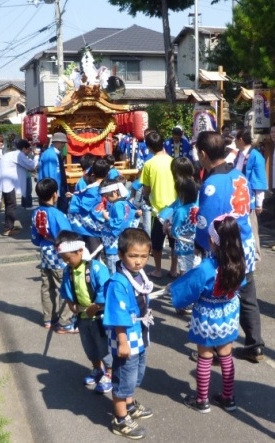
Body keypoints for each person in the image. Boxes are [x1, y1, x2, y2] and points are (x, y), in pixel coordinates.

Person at [195, 131, 264, 363]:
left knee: (219, 298)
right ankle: (255, 345)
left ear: (203, 154)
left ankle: (217, 349)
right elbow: (250, 208)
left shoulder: (212, 184)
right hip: (244, 245)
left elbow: (206, 224)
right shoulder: (240, 177)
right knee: (246, 296)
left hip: (223, 251)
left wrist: (200, 245)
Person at [169, 215, 245, 413]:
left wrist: (174, 290)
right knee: (226, 355)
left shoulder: (205, 268)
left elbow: (188, 290)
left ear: (212, 240)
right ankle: (228, 398)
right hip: (228, 313)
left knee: (205, 357)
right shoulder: (240, 263)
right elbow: (241, 285)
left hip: (207, 316)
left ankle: (202, 400)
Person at [103, 228, 154, 439]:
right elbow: (117, 314)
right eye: (133, 256)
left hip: (138, 334)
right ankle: (120, 419)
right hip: (126, 337)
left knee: (136, 372)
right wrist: (122, 341)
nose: (138, 261)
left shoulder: (137, 275)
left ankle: (130, 404)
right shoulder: (118, 282)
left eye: (143, 256)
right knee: (124, 376)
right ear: (122, 254)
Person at [56, 229, 112, 394]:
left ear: (80, 251)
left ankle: (110, 374)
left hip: (99, 315)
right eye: (63, 259)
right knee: (89, 346)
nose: (66, 262)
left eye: (68, 258)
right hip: (82, 316)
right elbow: (66, 288)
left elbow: (105, 287)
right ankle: (97, 369)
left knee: (104, 346)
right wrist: (69, 301)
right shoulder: (69, 270)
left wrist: (97, 304)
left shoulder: (95, 268)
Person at [31, 178, 77, 333]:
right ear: (55, 194)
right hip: (59, 254)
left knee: (47, 286)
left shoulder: (37, 213)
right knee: (65, 287)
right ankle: (65, 322)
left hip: (45, 253)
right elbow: (67, 237)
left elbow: (35, 239)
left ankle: (49, 318)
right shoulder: (58, 215)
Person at [160, 157, 199, 314]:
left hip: (183, 246)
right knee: (195, 272)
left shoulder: (181, 210)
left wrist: (168, 228)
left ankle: (184, 302)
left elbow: (175, 231)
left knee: (185, 273)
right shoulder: (196, 205)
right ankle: (193, 300)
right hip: (196, 244)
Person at [140, 131, 177, 279]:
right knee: (175, 242)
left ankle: (158, 269)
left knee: (157, 243)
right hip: (174, 209)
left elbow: (146, 188)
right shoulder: (173, 161)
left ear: (149, 147)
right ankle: (174, 269)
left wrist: (146, 198)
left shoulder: (149, 164)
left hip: (157, 210)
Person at [234, 129, 268, 261]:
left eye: (235, 139)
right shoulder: (239, 154)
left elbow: (259, 180)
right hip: (237, 195)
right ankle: (241, 251)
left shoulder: (255, 156)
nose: (234, 142)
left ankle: (255, 253)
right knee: (239, 226)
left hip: (249, 197)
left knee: (251, 226)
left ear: (241, 139)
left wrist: (259, 203)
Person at [0, 139, 39, 236]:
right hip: (8, 183)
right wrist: (37, 156)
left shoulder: (12, 154)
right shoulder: (19, 155)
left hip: (6, 182)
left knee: (9, 205)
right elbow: (31, 166)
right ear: (23, 149)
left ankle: (9, 226)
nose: (29, 152)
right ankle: (8, 228)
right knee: (11, 205)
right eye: (28, 150)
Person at [68, 157, 110, 256]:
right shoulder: (108, 187)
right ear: (107, 173)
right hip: (99, 223)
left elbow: (82, 206)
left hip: (90, 226)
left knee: (91, 253)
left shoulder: (91, 188)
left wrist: (74, 197)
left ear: (93, 172)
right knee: (96, 253)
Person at [100, 178, 141, 274]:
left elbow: (118, 223)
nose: (106, 199)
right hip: (121, 240)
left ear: (114, 192)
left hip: (113, 243)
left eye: (106, 196)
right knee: (122, 267)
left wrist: (107, 218)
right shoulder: (125, 203)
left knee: (113, 269)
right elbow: (128, 215)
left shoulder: (117, 205)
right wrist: (135, 213)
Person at [38, 132, 69, 213]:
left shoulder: (54, 153)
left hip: (57, 187)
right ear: (58, 142)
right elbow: (50, 175)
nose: (64, 145)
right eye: (63, 143)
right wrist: (54, 192)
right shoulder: (50, 155)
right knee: (53, 211)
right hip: (52, 189)